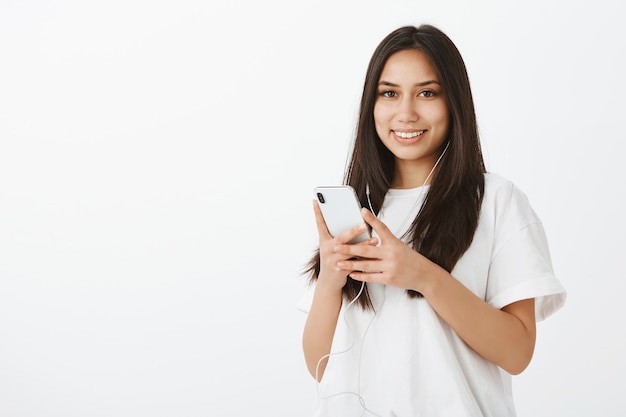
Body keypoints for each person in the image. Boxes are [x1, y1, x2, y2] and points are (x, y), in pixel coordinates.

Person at [298, 24, 566, 417]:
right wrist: (330, 280)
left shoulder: (495, 201)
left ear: (453, 101)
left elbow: (517, 352)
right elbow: (319, 367)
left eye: (427, 92)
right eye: (389, 93)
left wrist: (421, 275)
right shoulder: (359, 209)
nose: (406, 113)